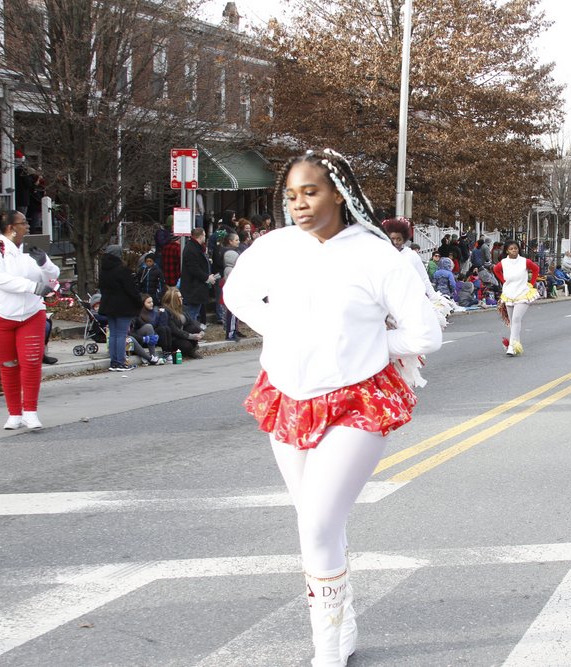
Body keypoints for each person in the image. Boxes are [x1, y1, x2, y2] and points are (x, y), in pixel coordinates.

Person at [223, 148, 441, 667]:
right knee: (314, 521)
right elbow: (236, 294)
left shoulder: (378, 256)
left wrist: (368, 344)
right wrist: (280, 328)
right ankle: (341, 623)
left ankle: (326, 650)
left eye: (311, 192)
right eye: (291, 195)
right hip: (287, 395)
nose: (298, 204)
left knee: (318, 524)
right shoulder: (275, 247)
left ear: (340, 193)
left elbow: (424, 332)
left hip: (356, 400)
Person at [0, 210, 59, 429]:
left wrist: (45, 264)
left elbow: (53, 278)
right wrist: (32, 287)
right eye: (23, 223)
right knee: (8, 365)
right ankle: (14, 413)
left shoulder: (30, 251)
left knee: (31, 363)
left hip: (31, 314)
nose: (28, 226)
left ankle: (30, 412)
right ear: (11, 228)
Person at [98, 244, 142, 372]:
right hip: (123, 307)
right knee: (122, 334)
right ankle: (121, 362)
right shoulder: (122, 270)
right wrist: (139, 302)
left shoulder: (103, 270)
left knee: (113, 334)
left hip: (108, 305)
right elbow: (131, 290)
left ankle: (114, 361)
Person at [493, 238, 539, 356]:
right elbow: (495, 270)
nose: (514, 251)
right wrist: (504, 281)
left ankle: (512, 346)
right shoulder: (503, 262)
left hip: (523, 293)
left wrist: (532, 283)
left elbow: (536, 269)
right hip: (509, 293)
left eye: (516, 248)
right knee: (512, 322)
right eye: (511, 249)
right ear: (507, 251)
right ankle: (517, 343)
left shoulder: (525, 261)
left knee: (516, 319)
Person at [181, 227, 216, 324]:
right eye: (204, 235)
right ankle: (191, 334)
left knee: (194, 313)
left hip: (196, 288)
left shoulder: (194, 247)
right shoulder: (192, 249)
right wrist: (207, 277)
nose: (205, 237)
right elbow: (194, 269)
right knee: (192, 314)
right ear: (200, 236)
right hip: (193, 288)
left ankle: (194, 333)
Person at [160, 287, 204, 359]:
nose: (182, 299)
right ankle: (188, 351)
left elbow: (191, 321)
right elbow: (174, 330)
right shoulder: (166, 311)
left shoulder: (182, 308)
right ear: (174, 300)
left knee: (194, 328)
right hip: (173, 338)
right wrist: (191, 336)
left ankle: (192, 349)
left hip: (183, 334)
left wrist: (201, 331)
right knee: (186, 345)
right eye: (180, 297)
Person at [129, 294, 165, 365]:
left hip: (137, 339)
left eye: (152, 302)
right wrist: (143, 339)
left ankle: (153, 355)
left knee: (148, 326)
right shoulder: (125, 316)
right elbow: (127, 333)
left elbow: (144, 325)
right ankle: (150, 359)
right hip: (127, 341)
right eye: (149, 302)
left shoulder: (136, 313)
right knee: (130, 338)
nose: (152, 304)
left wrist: (155, 335)